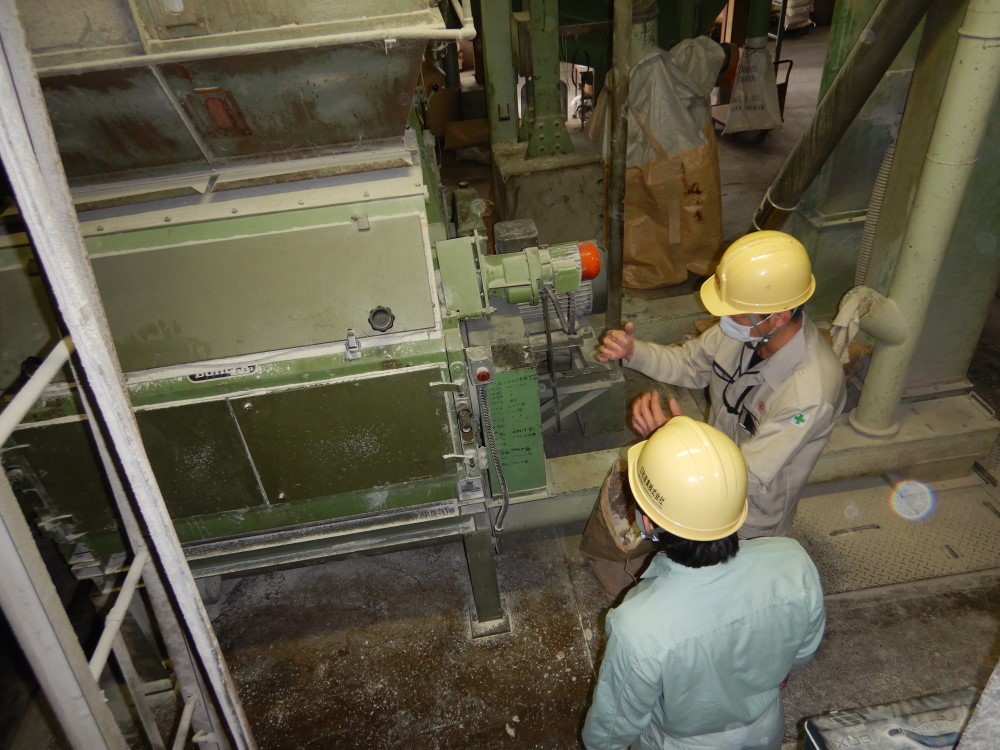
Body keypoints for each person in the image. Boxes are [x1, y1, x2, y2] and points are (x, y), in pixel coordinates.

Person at [581, 417, 826, 750]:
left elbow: (613, 726)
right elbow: (800, 654)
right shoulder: (793, 561)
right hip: (765, 730)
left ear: (648, 519)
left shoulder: (639, 625)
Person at [598, 230, 846, 538]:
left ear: (779, 317)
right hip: (704, 479)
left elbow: (747, 476)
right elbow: (690, 364)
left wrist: (677, 444)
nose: (725, 319)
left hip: (749, 515)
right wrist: (634, 352)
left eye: (736, 314)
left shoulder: (809, 394)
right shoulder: (745, 330)